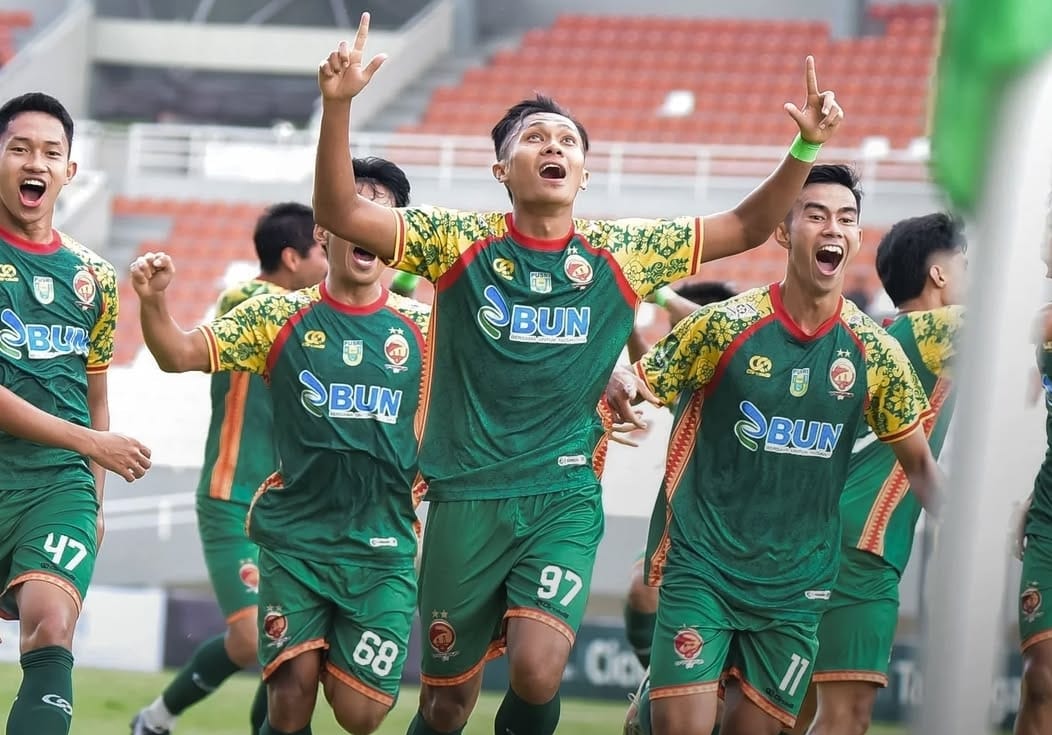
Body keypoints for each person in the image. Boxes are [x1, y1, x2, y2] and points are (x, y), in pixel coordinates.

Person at [312, 14, 845, 735]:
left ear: (585, 172)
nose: (552, 145)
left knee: (537, 669)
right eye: (533, 138)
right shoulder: (458, 241)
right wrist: (338, 104)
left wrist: (806, 144)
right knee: (445, 703)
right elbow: (339, 209)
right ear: (502, 171)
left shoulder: (621, 251)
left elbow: (749, 225)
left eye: (566, 139)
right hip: (466, 494)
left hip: (562, 493)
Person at [613, 165, 943, 735]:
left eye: (846, 218)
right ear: (785, 232)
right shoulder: (722, 327)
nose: (832, 228)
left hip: (798, 585)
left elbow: (919, 465)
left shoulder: (875, 352)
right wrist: (612, 378)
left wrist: (977, 544)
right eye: (815, 214)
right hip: (704, 568)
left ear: (857, 238)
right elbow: (638, 386)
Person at [130, 156, 425, 735]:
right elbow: (180, 353)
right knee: (286, 698)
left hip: (381, 542)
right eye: (353, 211)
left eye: (382, 218)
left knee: (361, 715)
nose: (367, 225)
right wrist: (154, 301)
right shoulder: (262, 308)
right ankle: (158, 720)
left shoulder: (424, 328)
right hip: (275, 520)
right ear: (322, 231)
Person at [131, 202, 329, 735]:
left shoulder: (322, 319)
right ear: (291, 258)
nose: (330, 261)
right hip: (232, 494)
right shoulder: (245, 298)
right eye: (321, 249)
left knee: (289, 649)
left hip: (292, 507)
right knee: (251, 638)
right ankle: (153, 721)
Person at [0, 91, 152, 735]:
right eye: (19, 148)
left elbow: (95, 398)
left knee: (51, 626)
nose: (35, 161)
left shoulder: (92, 275)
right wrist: (95, 446)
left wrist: (93, 503)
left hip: (58, 487)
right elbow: (93, 430)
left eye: (50, 152)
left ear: (69, 171)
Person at [790, 213, 966, 735]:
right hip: (862, 545)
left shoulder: (878, 335)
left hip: (813, 532)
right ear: (938, 274)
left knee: (790, 711)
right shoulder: (935, 332)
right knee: (846, 716)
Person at [622, 281, 738, 669]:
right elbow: (650, 377)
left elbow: (719, 331)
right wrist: (629, 328)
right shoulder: (688, 384)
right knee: (643, 588)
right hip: (692, 521)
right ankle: (654, 682)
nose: (673, 344)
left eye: (678, 332)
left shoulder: (743, 371)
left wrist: (662, 297)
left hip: (746, 529)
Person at [1013, 208, 1052, 735]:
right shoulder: (1040, 326)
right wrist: (1024, 495)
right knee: (1042, 678)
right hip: (1048, 518)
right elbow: (1027, 420)